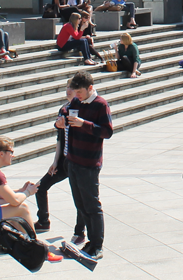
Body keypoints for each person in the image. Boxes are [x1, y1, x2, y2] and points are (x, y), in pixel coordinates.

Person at [63, 71, 114, 262]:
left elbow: (107, 132)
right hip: (73, 160)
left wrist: (84, 123)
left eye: (80, 92)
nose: (76, 96)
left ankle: (97, 244)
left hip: (89, 163)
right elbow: (67, 117)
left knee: (92, 205)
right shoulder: (75, 103)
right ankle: (90, 243)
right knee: (80, 204)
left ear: (90, 88)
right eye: (74, 92)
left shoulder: (101, 104)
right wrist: (62, 122)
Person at [34, 85, 87, 243]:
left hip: (77, 161)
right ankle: (43, 221)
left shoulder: (83, 112)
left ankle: (80, 232)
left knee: (79, 197)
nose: (68, 91)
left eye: (72, 88)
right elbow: (60, 138)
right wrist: (55, 161)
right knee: (40, 187)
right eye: (67, 88)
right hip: (64, 160)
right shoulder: (63, 110)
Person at [0, 136, 38, 221]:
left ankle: (21, 233)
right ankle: (30, 234)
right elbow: (15, 200)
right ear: (1, 154)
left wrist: (21, 190)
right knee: (22, 207)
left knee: (9, 203)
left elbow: (1, 194)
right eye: (11, 152)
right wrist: (28, 192)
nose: (13, 156)